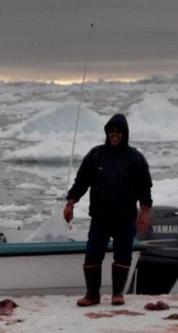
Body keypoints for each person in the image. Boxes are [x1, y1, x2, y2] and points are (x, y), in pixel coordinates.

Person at [62, 112, 152, 305]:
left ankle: (117, 293)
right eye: (111, 131)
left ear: (124, 134)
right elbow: (81, 182)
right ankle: (92, 295)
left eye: (118, 132)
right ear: (107, 133)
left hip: (125, 217)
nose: (114, 135)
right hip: (100, 217)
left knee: (123, 253)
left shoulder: (135, 158)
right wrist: (70, 203)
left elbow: (144, 187)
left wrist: (145, 211)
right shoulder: (96, 155)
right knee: (93, 253)